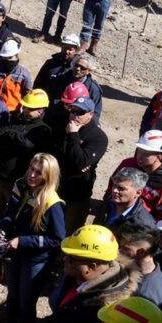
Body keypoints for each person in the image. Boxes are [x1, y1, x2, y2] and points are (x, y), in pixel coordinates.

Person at [0, 153, 66, 323]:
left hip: (36, 260)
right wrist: (4, 229)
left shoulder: (52, 203)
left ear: (48, 177)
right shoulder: (21, 185)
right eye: (31, 169)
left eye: (38, 173)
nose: (31, 175)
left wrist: (23, 241)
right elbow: (10, 213)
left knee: (27, 302)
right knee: (12, 294)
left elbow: (57, 239)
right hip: (15, 252)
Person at [0, 89, 53, 220]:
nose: (26, 110)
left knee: (15, 216)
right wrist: (16, 138)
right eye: (25, 107)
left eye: (30, 108)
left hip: (20, 182)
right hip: (0, 177)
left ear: (41, 110)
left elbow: (30, 147)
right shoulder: (14, 120)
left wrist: (15, 137)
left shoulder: (44, 130)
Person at [55, 96, 108, 233]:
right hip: (55, 188)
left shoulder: (98, 137)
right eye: (73, 111)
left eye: (80, 112)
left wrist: (73, 136)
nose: (74, 115)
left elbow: (81, 162)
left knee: (69, 233)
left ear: (91, 114)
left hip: (77, 193)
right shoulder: (63, 127)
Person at [109, 129, 162, 220]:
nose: (139, 156)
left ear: (159, 155)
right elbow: (111, 188)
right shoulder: (128, 164)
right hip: (114, 215)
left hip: (139, 228)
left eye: (146, 154)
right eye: (139, 151)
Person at [115, 222, 162, 308]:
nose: (119, 251)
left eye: (125, 248)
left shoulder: (146, 293)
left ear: (141, 252)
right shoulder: (137, 272)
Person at [0, 39, 33, 112]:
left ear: (16, 55)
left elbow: (28, 95)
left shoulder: (23, 74)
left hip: (13, 112)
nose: (7, 60)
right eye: (5, 58)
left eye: (10, 57)